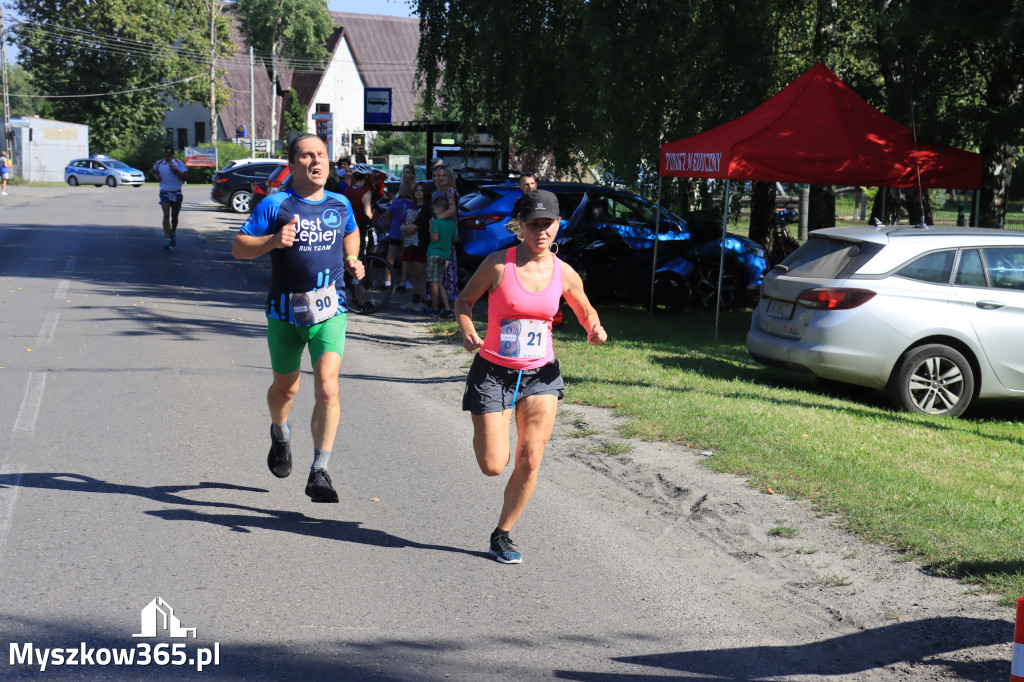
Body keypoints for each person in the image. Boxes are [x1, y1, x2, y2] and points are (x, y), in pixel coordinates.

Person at [455, 190, 607, 563]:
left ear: (558, 226)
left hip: (541, 374)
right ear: (520, 227)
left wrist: (594, 328)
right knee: (493, 464)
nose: (541, 231)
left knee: (531, 457)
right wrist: (467, 329)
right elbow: (463, 301)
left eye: (548, 224)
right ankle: (491, 434)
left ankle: (502, 534)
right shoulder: (498, 265)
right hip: (492, 372)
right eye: (533, 224)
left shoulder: (564, 273)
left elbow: (585, 310)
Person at [231, 133, 364, 503]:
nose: (317, 161)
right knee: (285, 389)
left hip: (330, 310)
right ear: (294, 164)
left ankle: (320, 470)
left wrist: (353, 259)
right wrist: (272, 241)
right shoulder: (275, 205)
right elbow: (240, 248)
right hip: (284, 313)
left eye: (321, 154)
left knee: (328, 386)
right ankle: (280, 433)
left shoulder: (339, 203)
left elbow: (351, 233)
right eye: (308, 155)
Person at [400, 182, 432, 312]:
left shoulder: (426, 209)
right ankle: (414, 300)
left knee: (421, 275)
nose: (418, 192)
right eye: (416, 190)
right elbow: (405, 225)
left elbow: (413, 227)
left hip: (420, 244)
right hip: (409, 244)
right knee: (413, 275)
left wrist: (403, 228)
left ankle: (423, 301)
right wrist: (404, 228)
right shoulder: (412, 208)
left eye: (421, 190)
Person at [431, 164, 460, 306]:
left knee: (447, 270)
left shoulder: (449, 192)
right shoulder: (440, 192)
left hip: (447, 235)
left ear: (449, 176)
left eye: (444, 175)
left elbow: (452, 210)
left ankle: (449, 302)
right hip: (443, 234)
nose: (441, 178)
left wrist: (437, 220)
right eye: (438, 175)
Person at [151, 145, 188, 249]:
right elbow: (153, 171)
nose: (168, 154)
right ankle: (167, 239)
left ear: (173, 154)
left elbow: (186, 176)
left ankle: (173, 233)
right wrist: (156, 176)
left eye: (171, 152)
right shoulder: (159, 163)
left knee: (175, 217)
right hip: (164, 192)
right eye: (167, 152)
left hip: (177, 193)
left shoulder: (178, 163)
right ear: (164, 153)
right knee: (166, 214)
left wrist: (175, 171)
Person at [427, 194, 458, 317]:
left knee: (434, 283)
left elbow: (435, 237)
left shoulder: (436, 222)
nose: (434, 211)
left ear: (439, 209)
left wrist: (430, 227)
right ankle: (447, 307)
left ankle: (435, 308)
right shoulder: (451, 224)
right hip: (445, 255)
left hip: (434, 253)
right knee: (440, 282)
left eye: (434, 209)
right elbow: (456, 239)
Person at [383, 179, 414, 288]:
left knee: (390, 257)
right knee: (405, 258)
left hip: (395, 233)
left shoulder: (396, 202)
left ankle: (388, 281)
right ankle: (404, 282)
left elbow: (388, 215)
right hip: (408, 234)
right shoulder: (413, 203)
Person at [345, 163, 376, 256]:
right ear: (366, 176)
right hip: (360, 228)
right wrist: (374, 212)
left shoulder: (347, 190)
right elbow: (368, 215)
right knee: (362, 254)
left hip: (347, 226)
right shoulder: (366, 193)